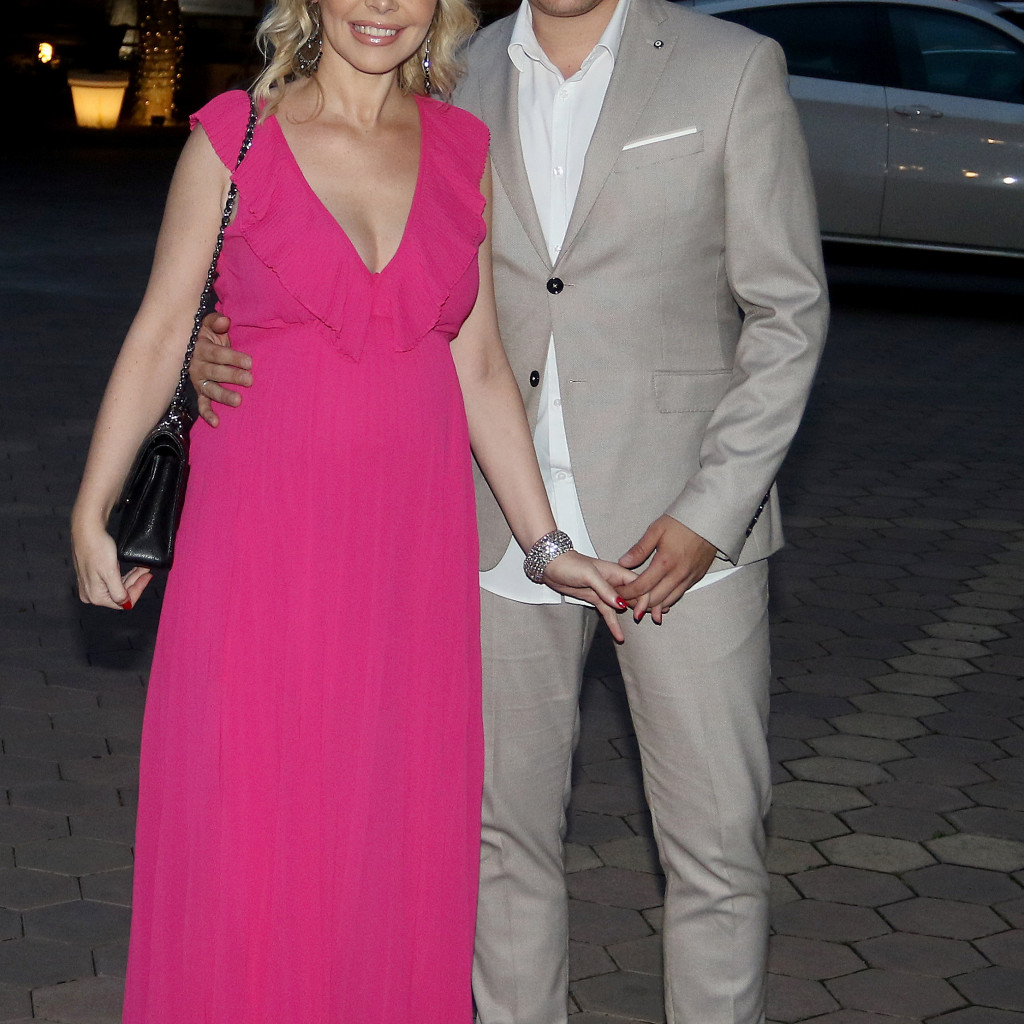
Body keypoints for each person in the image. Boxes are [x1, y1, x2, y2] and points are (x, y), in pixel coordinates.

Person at [189, 0, 830, 1018]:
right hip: (493, 523)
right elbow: (344, 244)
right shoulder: (446, 72)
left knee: (716, 847)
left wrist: (713, 510)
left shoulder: (732, 67)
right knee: (498, 845)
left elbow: (788, 312)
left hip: (682, 531)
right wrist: (219, 336)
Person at [69, 0, 637, 1018]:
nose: (381, 7)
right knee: (248, 824)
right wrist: (91, 506)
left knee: (386, 830)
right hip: (260, 544)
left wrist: (546, 543)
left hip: (408, 562)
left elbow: (481, 365)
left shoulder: (463, 150)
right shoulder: (234, 137)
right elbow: (160, 330)